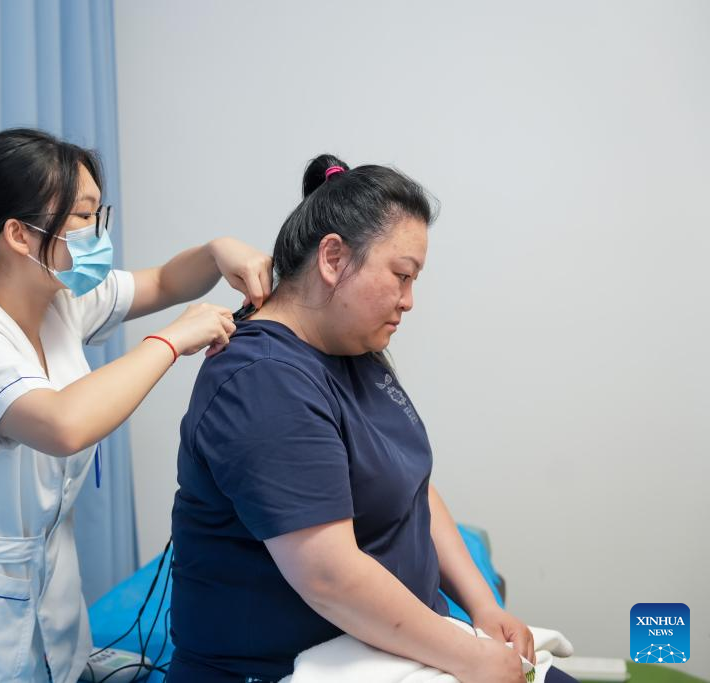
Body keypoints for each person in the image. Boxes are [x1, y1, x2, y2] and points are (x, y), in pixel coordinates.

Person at [0, 128, 273, 683]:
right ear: (19, 234)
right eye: (83, 216)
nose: (98, 231)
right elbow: (63, 424)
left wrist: (216, 251)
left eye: (99, 214)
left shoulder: (55, 297)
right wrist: (171, 341)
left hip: (44, 606)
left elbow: (163, 282)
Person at [167, 155, 578, 683]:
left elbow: (411, 487)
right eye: (401, 276)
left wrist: (484, 607)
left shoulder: (352, 350)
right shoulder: (263, 381)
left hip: (392, 650)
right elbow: (329, 577)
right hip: (293, 669)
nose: (409, 301)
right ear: (333, 258)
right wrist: (469, 657)